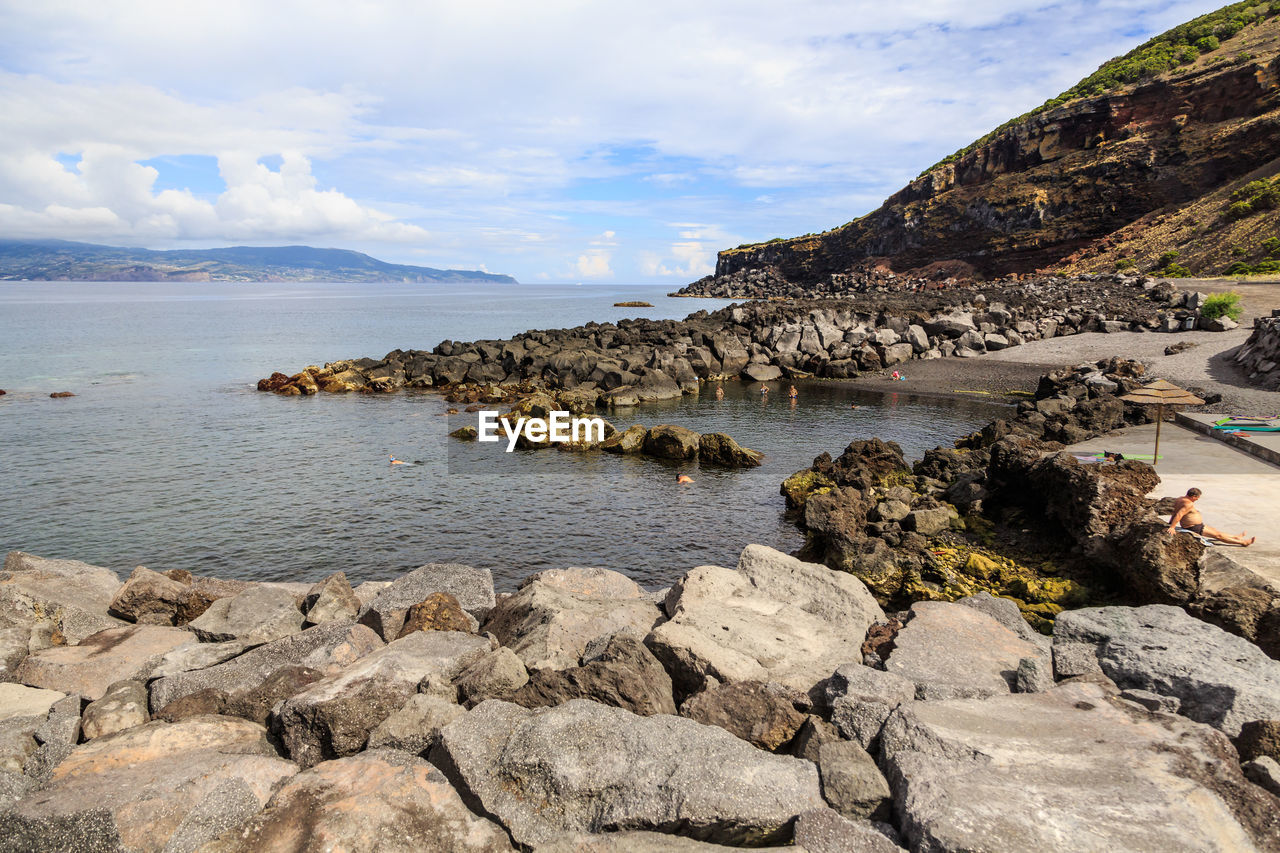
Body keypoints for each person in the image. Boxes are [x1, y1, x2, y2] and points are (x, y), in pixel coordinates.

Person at [1168, 488, 1255, 546]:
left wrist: (1170, 522)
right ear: (1193, 496)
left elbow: (1174, 512)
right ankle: (1243, 542)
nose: (1197, 499)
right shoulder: (1188, 504)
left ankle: (1236, 537)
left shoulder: (1180, 499)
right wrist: (1172, 527)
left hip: (1197, 525)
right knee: (1218, 536)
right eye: (1197, 497)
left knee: (1216, 531)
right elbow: (1179, 514)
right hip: (1193, 527)